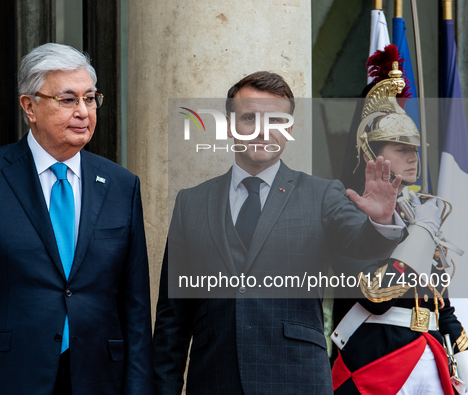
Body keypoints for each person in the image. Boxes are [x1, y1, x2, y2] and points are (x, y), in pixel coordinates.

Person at [152, 71, 406, 394]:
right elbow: (171, 322)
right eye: (249, 118)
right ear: (229, 125)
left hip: (297, 381)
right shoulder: (191, 203)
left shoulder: (323, 195)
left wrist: (381, 222)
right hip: (215, 380)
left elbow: (362, 243)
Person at [0, 43, 153, 395]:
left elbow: (135, 305)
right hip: (9, 376)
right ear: (29, 107)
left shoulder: (121, 184)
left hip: (100, 377)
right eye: (68, 100)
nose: (84, 112)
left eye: (90, 98)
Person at [331, 59, 468, 395]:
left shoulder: (418, 210)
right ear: (370, 153)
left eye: (415, 149)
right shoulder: (346, 207)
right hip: (375, 358)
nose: (413, 157)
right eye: (401, 148)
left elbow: (440, 300)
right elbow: (376, 297)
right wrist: (419, 234)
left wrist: (462, 350)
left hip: (431, 355)